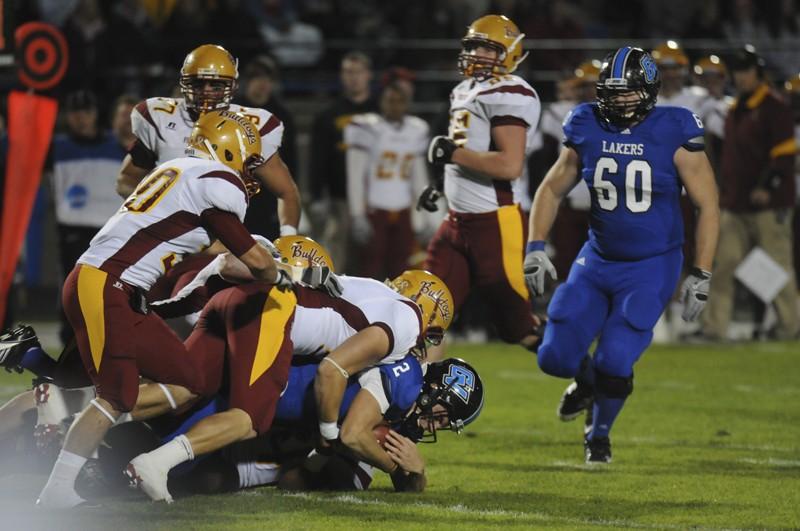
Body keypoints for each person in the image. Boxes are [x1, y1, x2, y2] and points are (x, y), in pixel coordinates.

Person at [37, 110, 292, 509]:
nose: (248, 171)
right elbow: (257, 264)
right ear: (226, 149)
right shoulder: (217, 182)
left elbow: (212, 249)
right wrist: (283, 273)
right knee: (116, 395)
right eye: (246, 159)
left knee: (189, 379)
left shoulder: (176, 168)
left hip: (116, 288)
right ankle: (56, 492)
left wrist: (265, 261)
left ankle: (70, 411)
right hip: (106, 284)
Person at [524, 47, 720, 463]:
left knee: (616, 356)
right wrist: (536, 247)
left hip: (652, 263)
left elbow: (708, 204)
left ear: (649, 91)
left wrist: (701, 273)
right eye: (612, 92)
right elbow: (552, 186)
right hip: (597, 258)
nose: (620, 101)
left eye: (629, 93)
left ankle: (599, 431)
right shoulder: (586, 122)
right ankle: (585, 382)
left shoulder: (675, 127)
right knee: (554, 358)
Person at [417, 14, 542, 358]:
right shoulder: (464, 90)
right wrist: (441, 185)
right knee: (425, 313)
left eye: (488, 48)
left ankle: (587, 374)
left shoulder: (510, 92)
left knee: (519, 329)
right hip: (455, 221)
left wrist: (451, 153)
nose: (477, 54)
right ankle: (414, 403)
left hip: (495, 224)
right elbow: (468, 150)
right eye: (473, 46)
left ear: (510, 54)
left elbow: (508, 165)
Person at [115, 44, 301, 238]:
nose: (206, 91)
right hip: (169, 237)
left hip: (229, 237)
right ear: (185, 84)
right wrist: (155, 207)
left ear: (232, 86)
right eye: (198, 83)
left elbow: (287, 192)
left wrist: (288, 237)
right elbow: (126, 179)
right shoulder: (162, 118)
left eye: (216, 85)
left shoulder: (250, 126)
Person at [700, 46, 798, 341]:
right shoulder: (735, 109)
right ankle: (714, 329)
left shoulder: (774, 107)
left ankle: (790, 327)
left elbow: (784, 155)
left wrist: (766, 187)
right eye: (737, 72)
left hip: (769, 204)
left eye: (745, 71)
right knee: (721, 264)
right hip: (735, 203)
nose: (740, 77)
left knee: (777, 266)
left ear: (758, 73)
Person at [51, 90, 127, 346]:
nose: (81, 118)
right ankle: (70, 346)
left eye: (87, 112)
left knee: (107, 292)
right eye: (75, 113)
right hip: (73, 228)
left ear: (96, 114)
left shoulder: (117, 144)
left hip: (110, 230)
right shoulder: (57, 147)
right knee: (72, 292)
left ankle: (107, 344)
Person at [345, 80, 430, 279]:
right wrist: (357, 214)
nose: (395, 106)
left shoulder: (416, 129)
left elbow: (419, 176)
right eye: (390, 100)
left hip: (403, 209)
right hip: (375, 209)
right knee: (369, 267)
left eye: (400, 101)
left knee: (402, 268)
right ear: (381, 102)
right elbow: (355, 174)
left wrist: (425, 216)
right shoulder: (367, 127)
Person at [310, 51, 378, 272]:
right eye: (348, 72)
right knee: (336, 259)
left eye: (358, 72)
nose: (353, 77)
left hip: (377, 199)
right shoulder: (328, 115)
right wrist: (317, 195)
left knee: (373, 260)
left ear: (368, 75)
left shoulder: (381, 111)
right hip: (340, 200)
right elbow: (318, 158)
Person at [236, 55, 299, 240]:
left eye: (267, 78)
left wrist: (292, 195)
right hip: (237, 189)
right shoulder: (233, 110)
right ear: (247, 81)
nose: (262, 83)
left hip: (269, 192)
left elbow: (291, 159)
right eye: (257, 77)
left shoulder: (282, 115)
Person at [651, 41, 708, 114]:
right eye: (664, 68)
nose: (670, 74)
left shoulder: (699, 97)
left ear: (684, 70)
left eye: (674, 68)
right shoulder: (645, 100)